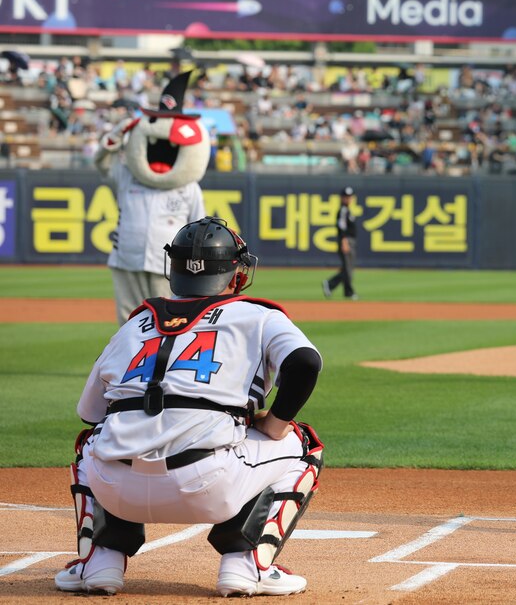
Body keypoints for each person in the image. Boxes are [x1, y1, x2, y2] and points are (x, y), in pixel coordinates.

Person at [55, 217, 324, 596]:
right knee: (304, 445)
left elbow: (91, 414)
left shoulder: (133, 325)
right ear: (236, 274)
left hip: (117, 489)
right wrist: (276, 424)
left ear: (174, 270)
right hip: (208, 484)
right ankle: (246, 564)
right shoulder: (259, 316)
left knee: (91, 442)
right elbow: (306, 362)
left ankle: (100, 562)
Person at [95, 72, 209, 326]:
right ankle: (129, 365)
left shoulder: (188, 187)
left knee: (167, 322)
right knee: (128, 321)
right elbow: (101, 163)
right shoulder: (128, 176)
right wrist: (113, 137)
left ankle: (164, 366)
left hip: (167, 265)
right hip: (126, 258)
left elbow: (198, 230)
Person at [322, 186, 357, 300]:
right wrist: (344, 241)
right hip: (346, 241)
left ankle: (331, 284)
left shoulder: (347, 210)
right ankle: (348, 292)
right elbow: (341, 227)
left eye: (349, 196)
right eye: (346, 197)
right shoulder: (342, 210)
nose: (348, 199)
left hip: (350, 241)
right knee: (347, 269)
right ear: (342, 198)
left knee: (348, 269)